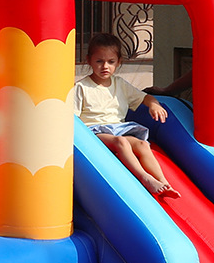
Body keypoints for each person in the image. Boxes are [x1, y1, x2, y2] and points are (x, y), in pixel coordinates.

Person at [75, 32, 180, 199]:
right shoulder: (81, 87)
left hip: (117, 128)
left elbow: (145, 97)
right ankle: (144, 177)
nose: (105, 66)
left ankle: (163, 181)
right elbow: (73, 119)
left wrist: (154, 105)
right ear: (89, 60)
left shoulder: (120, 84)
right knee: (121, 141)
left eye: (111, 62)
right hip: (94, 132)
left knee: (142, 144)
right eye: (99, 61)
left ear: (118, 62)